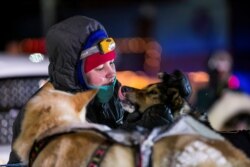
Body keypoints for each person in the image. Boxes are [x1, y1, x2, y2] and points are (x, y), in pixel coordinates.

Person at [8, 15, 191, 164]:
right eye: (99, 68)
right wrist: (132, 134)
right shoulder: (46, 115)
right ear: (76, 74)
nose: (111, 73)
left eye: (111, 63)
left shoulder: (109, 91)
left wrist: (171, 99)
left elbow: (145, 106)